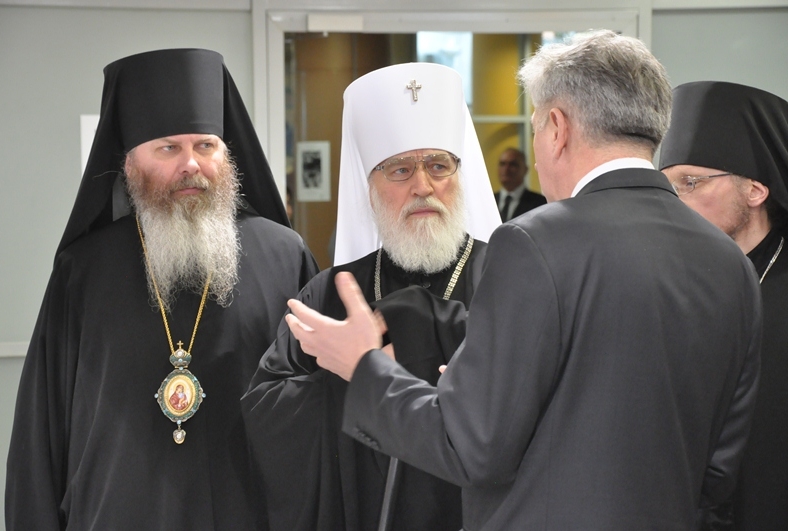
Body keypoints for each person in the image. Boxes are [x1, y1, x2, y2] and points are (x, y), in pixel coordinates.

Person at [284, 30, 763, 529]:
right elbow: (718, 474)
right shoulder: (731, 263)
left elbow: (470, 447)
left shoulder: (533, 243)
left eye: (535, 127)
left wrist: (365, 368)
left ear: (557, 128)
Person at [5, 49, 318, 530]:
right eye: (168, 148)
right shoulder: (83, 270)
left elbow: (316, 415)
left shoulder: (283, 257)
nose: (191, 164)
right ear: (131, 163)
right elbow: (41, 434)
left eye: (206, 146)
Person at [242, 62, 501, 531]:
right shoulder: (331, 293)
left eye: (438, 165)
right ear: (370, 186)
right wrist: (346, 379)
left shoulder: (506, 277)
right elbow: (266, 412)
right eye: (400, 169)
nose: (423, 186)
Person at [659, 81, 788, 530]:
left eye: (690, 183)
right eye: (666, 186)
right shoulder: (663, 277)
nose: (672, 203)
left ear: (755, 190)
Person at [495, 147, 546, 221]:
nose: (506, 169)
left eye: (513, 164)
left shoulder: (540, 203)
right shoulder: (488, 201)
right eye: (502, 164)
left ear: (525, 169)